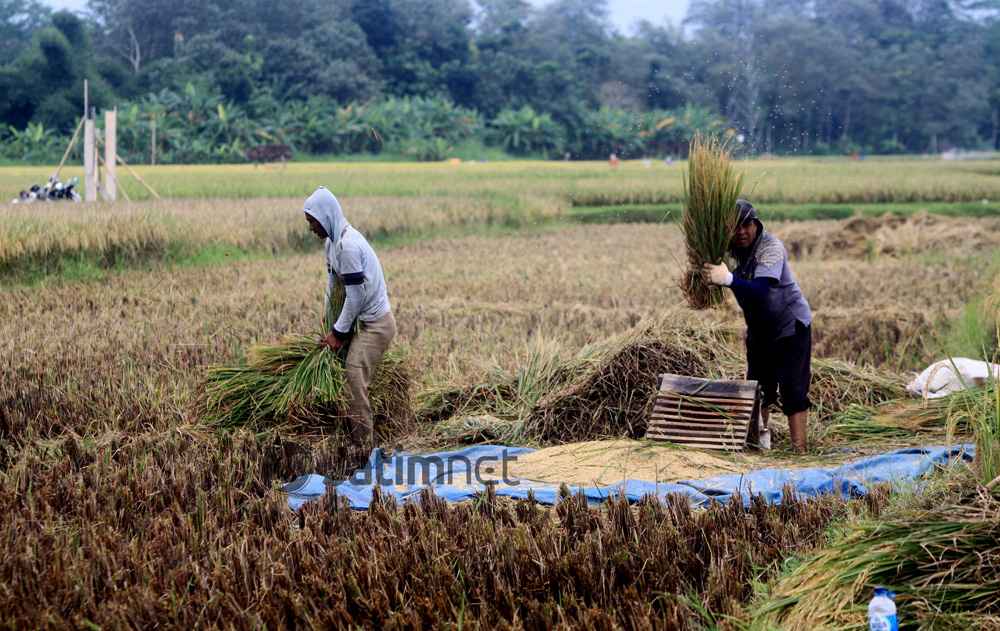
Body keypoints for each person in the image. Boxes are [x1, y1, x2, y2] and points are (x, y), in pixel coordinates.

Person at [702, 200, 813, 452]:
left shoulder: (770, 247)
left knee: (791, 390)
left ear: (756, 225)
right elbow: (708, 266)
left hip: (789, 327)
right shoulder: (726, 251)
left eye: (747, 224)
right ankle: (760, 447)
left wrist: (728, 279)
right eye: (734, 226)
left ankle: (800, 452)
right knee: (758, 389)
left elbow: (762, 290)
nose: (741, 231)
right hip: (759, 331)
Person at [302, 186, 396, 446]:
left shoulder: (347, 246)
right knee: (349, 380)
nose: (310, 227)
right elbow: (333, 286)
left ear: (326, 216)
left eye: (312, 220)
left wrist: (338, 333)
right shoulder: (332, 244)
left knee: (352, 383)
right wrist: (327, 325)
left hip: (375, 325)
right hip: (358, 323)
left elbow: (356, 296)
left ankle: (365, 450)